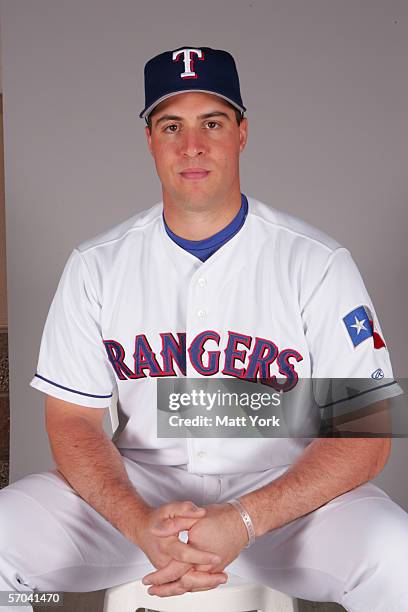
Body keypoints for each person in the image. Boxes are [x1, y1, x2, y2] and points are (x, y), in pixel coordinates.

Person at [0, 45, 407, 612]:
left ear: (242, 133)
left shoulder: (315, 262)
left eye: (211, 123)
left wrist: (246, 518)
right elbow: (72, 420)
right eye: (172, 126)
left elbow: (368, 432)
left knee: (398, 557)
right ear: (150, 141)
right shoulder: (97, 265)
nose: (192, 146)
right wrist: (138, 522)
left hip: (284, 503)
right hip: (136, 498)